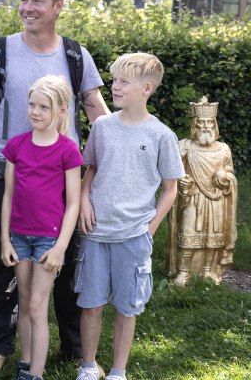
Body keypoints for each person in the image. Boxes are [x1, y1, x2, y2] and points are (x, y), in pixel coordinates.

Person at [0, 0, 109, 375]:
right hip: (8, 173)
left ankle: (73, 347)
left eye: (37, 1)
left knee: (64, 264)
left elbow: (97, 114)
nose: (27, 8)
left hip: (62, 178)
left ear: (58, 6)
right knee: (5, 266)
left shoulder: (74, 55)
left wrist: (112, 164)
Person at [75, 53, 184, 380]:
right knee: (90, 304)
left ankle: (118, 371)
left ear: (146, 88)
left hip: (134, 237)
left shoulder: (161, 135)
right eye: (115, 79)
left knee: (127, 306)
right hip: (95, 232)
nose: (114, 86)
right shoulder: (102, 127)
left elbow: (170, 188)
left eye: (123, 81)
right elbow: (91, 168)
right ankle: (88, 367)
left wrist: (149, 229)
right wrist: (83, 200)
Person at [1, 75, 82, 380]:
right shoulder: (16, 146)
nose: (35, 111)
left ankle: (36, 373)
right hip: (19, 237)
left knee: (37, 305)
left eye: (44, 107)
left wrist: (61, 247)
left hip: (48, 239)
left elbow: (73, 203)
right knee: (24, 302)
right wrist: (6, 241)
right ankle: (25, 361)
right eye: (32, 104)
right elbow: (8, 195)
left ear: (61, 110)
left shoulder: (67, 151)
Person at [168, 97, 238, 286]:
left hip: (216, 199)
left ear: (214, 125)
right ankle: (183, 273)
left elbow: (230, 174)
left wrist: (225, 178)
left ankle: (208, 271)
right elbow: (173, 172)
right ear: (194, 125)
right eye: (202, 123)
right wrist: (181, 181)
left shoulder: (223, 149)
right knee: (188, 233)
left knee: (213, 236)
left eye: (209, 123)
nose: (206, 127)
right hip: (192, 198)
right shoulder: (185, 146)